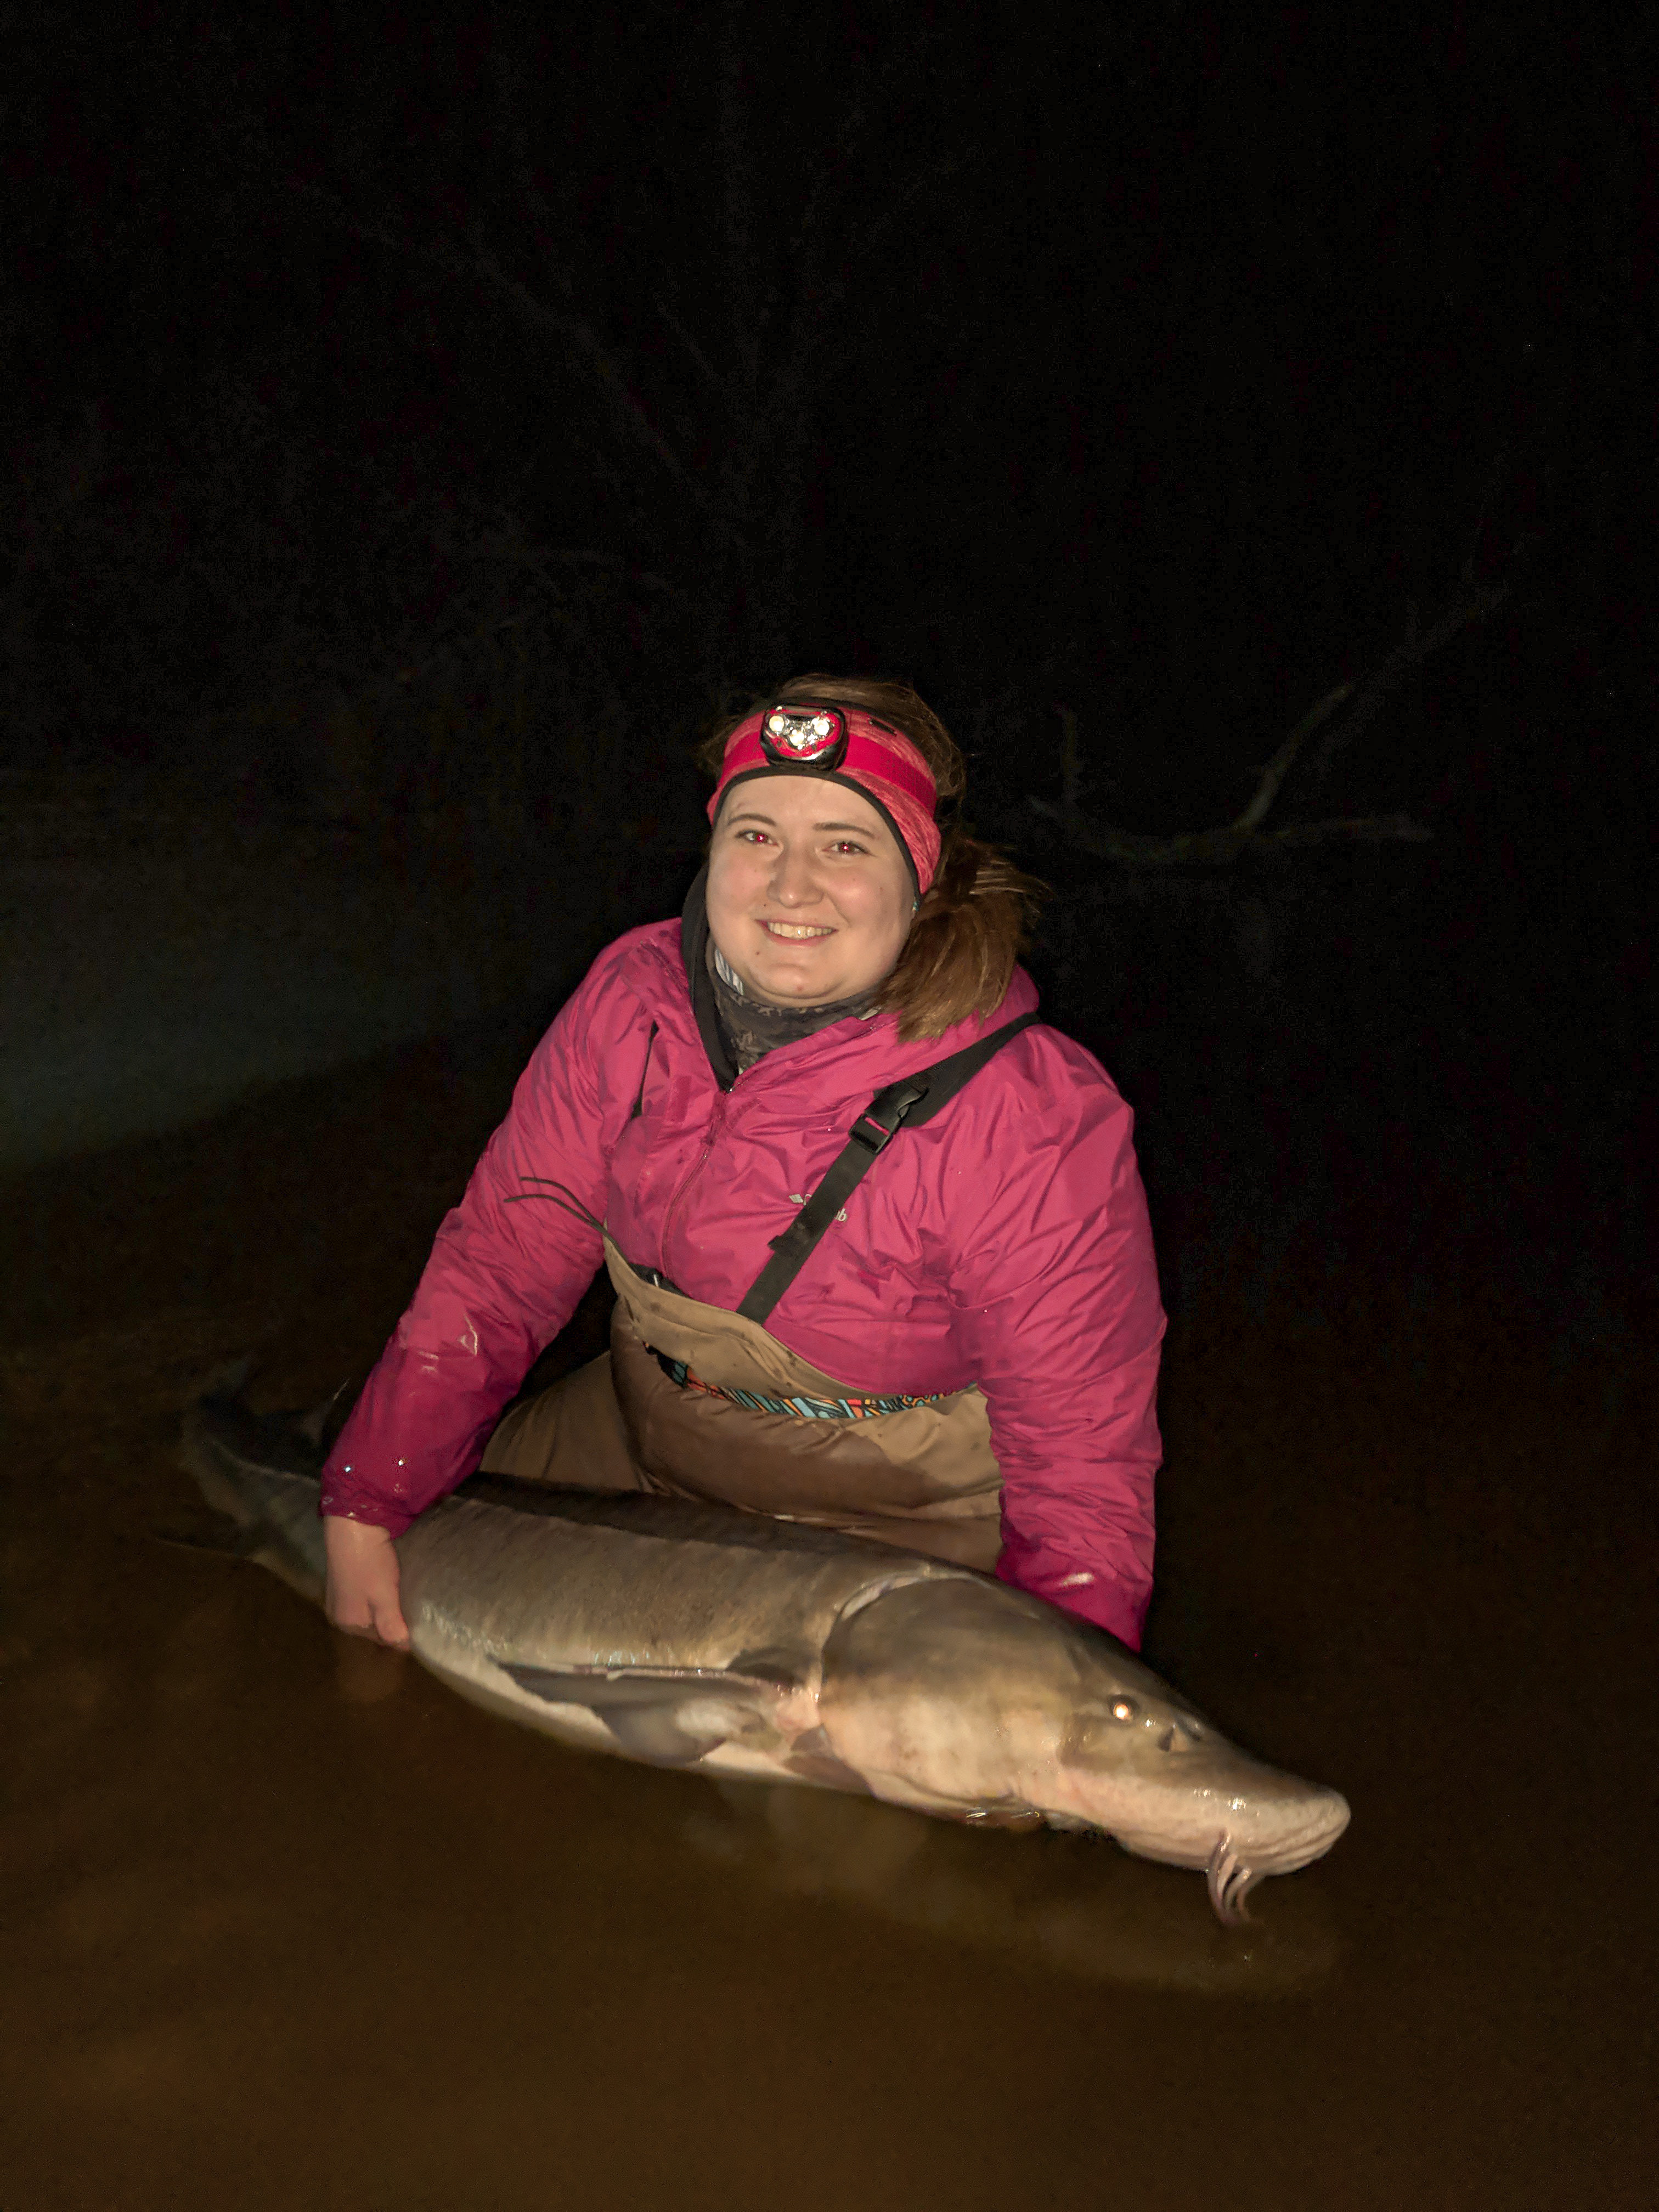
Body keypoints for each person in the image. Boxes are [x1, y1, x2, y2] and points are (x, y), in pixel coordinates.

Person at [320, 675, 1165, 1654]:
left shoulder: (1033, 1116)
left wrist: (1069, 1678)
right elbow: (504, 1260)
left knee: (908, 1789)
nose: (790, 886)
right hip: (642, 1428)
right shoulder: (632, 996)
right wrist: (368, 1494)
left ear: (924, 880)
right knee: (377, 1568)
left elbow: (1081, 1457)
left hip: (899, 1518)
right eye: (756, 835)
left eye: (844, 847)